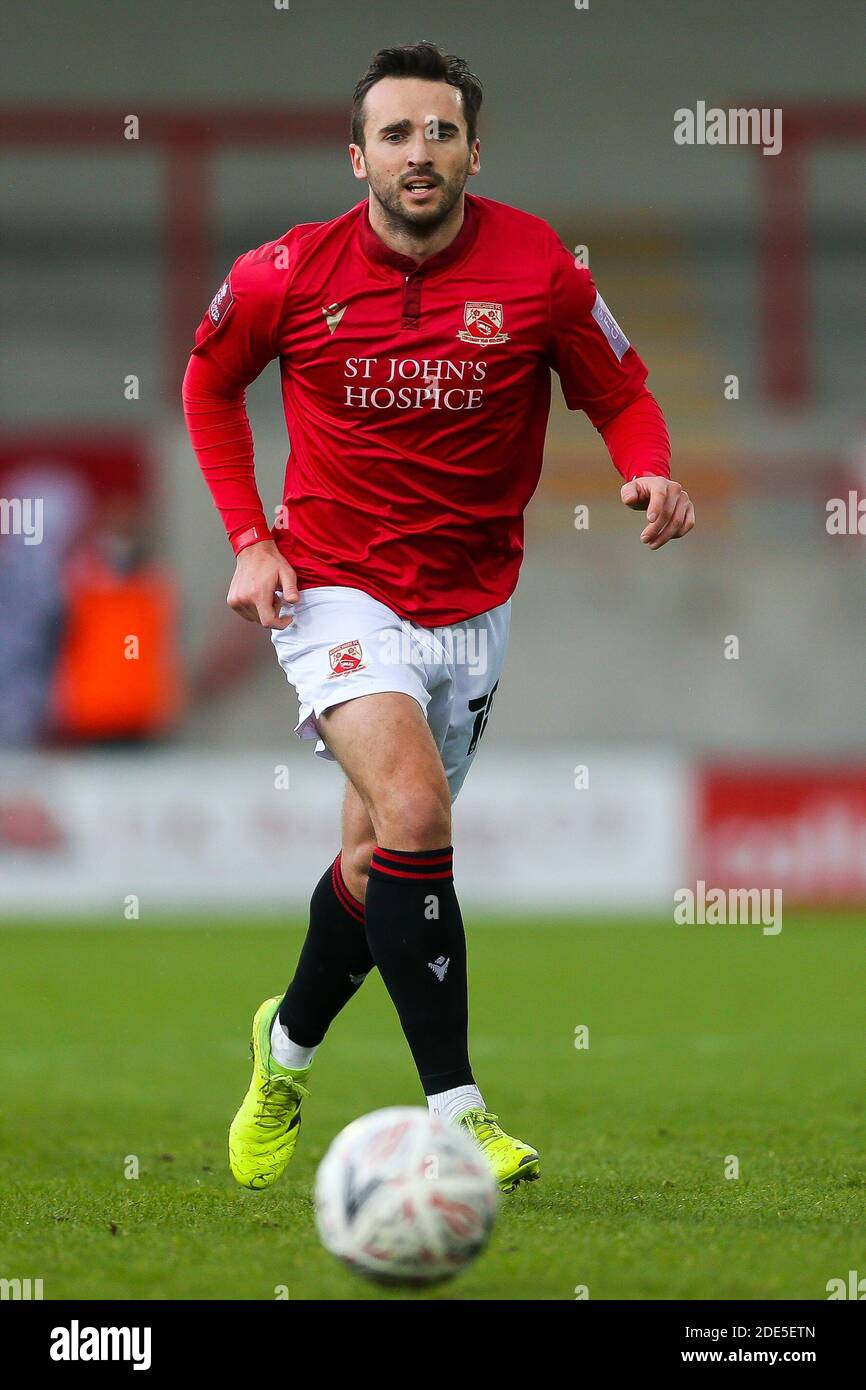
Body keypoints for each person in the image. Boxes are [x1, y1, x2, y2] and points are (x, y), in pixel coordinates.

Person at [182, 41, 694, 1194]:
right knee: (414, 808)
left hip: (469, 602)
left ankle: (282, 1050)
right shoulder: (284, 273)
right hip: (329, 583)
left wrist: (648, 467)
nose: (421, 153)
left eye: (441, 132)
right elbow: (209, 383)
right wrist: (249, 540)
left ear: (474, 148)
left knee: (375, 855)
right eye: (397, 134)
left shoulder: (540, 271)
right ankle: (457, 1113)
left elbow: (617, 387)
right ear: (357, 153)